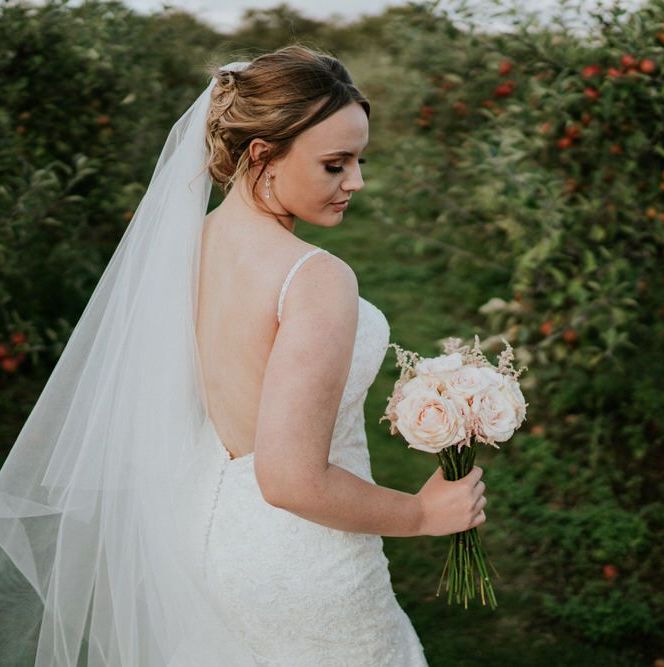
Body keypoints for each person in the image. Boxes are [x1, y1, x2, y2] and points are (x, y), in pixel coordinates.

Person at [0, 45, 486, 666]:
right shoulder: (315, 277)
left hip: (204, 530)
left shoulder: (186, 246)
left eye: (360, 160)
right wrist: (421, 514)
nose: (356, 182)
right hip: (301, 556)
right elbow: (290, 479)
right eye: (335, 164)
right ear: (262, 156)